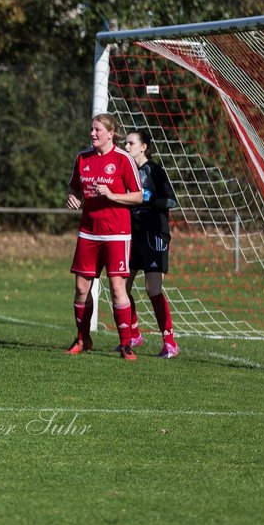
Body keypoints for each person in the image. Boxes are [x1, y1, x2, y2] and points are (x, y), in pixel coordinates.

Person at [65, 113, 144, 359]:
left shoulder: (122, 160)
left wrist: (111, 195)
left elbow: (138, 196)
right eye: (91, 129)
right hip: (88, 232)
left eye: (97, 130)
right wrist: (73, 196)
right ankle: (82, 338)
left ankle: (125, 344)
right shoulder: (82, 158)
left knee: (118, 287)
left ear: (110, 134)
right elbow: (73, 186)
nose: (92, 134)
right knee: (80, 288)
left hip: (117, 234)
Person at [124, 128, 180, 358]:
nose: (126, 147)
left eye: (130, 143)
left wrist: (145, 196)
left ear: (143, 147)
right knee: (121, 286)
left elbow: (170, 200)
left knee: (152, 288)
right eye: (125, 143)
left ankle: (170, 343)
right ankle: (134, 335)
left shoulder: (154, 171)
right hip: (132, 234)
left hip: (154, 233)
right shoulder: (126, 170)